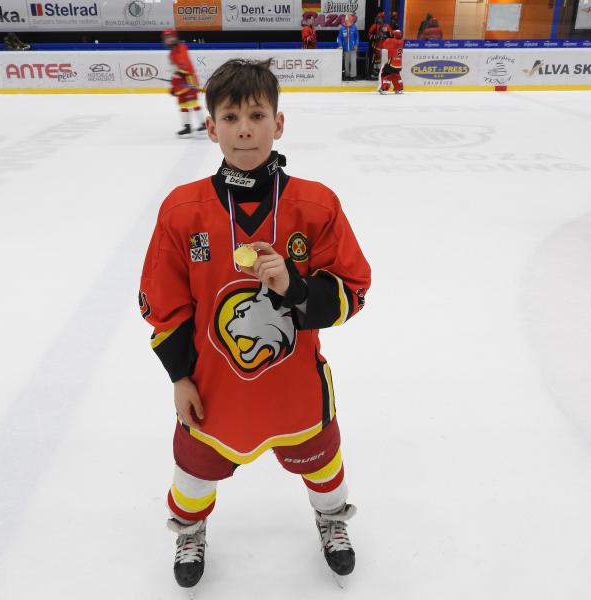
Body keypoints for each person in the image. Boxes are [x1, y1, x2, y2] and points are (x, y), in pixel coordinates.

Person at [139, 58, 371, 589]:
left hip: (294, 383)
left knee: (322, 458)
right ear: (212, 127)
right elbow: (165, 303)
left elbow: (353, 290)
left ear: (278, 123)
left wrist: (295, 286)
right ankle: (189, 528)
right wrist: (180, 377)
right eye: (231, 117)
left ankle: (332, 518)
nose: (244, 128)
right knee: (194, 467)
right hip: (214, 386)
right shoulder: (182, 211)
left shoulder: (315, 205)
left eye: (257, 115)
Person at [162, 28, 206, 138]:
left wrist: (177, 77)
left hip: (189, 81)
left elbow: (184, 65)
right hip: (180, 83)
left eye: (171, 37)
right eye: (167, 38)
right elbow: (175, 70)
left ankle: (203, 124)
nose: (169, 40)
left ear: (176, 37)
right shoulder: (171, 54)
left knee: (193, 103)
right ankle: (187, 127)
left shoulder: (182, 48)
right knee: (183, 104)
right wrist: (174, 84)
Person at [378, 30, 405, 94]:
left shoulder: (391, 41)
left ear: (394, 35)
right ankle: (399, 88)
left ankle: (384, 88)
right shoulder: (402, 42)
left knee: (385, 73)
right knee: (395, 75)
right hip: (399, 64)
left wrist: (385, 37)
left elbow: (383, 45)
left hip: (392, 63)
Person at [338, 13, 359, 81]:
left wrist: (356, 45)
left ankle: (353, 76)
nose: (350, 22)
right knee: (346, 62)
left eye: (351, 21)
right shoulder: (342, 28)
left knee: (353, 62)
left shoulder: (354, 28)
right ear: (346, 20)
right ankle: (347, 75)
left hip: (353, 48)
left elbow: (357, 38)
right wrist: (340, 45)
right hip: (345, 48)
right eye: (348, 21)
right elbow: (339, 38)